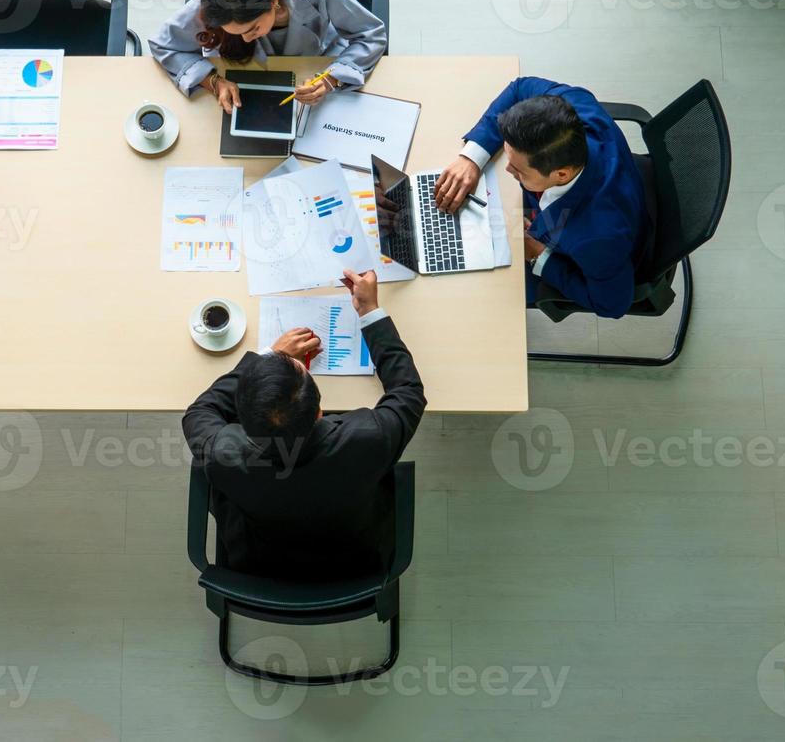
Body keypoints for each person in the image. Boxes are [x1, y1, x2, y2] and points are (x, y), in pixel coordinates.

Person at [182, 269, 423, 580]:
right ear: (320, 412)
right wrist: (369, 311)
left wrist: (271, 357)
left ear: (241, 419)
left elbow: (201, 410)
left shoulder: (221, 452)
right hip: (356, 565)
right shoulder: (369, 438)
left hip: (257, 569)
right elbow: (408, 391)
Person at [433, 76, 651, 319]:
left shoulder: (597, 240)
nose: (508, 170)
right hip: (564, 208)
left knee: (471, 296)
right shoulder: (577, 107)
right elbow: (520, 88)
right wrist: (473, 158)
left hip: (579, 248)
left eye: (518, 170)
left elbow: (612, 304)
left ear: (560, 174)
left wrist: (540, 256)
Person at [149, 0, 387, 113]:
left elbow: (371, 35)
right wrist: (213, 82)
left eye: (252, 28)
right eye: (236, 32)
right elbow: (163, 44)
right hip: (247, 81)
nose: (245, 38)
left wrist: (331, 79)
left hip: (316, 65)